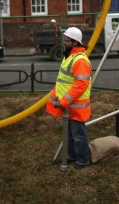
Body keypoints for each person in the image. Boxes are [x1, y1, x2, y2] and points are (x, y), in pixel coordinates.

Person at [46, 26, 92, 169]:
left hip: (75, 106)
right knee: (70, 135)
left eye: (67, 40)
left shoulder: (79, 60)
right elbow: (64, 82)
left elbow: (81, 84)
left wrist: (65, 101)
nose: (64, 42)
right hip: (68, 105)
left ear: (75, 42)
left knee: (78, 136)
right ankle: (72, 156)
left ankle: (83, 161)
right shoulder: (70, 57)